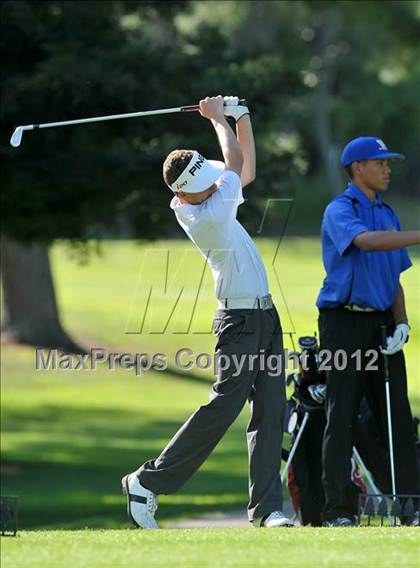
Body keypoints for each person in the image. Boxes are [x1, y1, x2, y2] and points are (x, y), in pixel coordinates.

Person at [122, 95, 292, 529]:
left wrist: (242, 116)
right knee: (223, 407)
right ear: (183, 192)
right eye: (201, 181)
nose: (211, 182)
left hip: (265, 315)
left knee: (272, 411)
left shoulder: (209, 189)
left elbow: (243, 169)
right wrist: (219, 119)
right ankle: (147, 481)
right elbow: (235, 164)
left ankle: (268, 509)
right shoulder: (206, 214)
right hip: (238, 322)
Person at [316, 136, 420, 527]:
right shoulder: (340, 210)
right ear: (358, 167)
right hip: (343, 324)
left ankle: (411, 507)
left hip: (381, 325)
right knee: (340, 415)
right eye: (380, 163)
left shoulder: (389, 214)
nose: (388, 169)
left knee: (396, 416)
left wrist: (403, 322)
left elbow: (394, 277)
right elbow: (368, 243)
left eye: (388, 163)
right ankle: (338, 511)